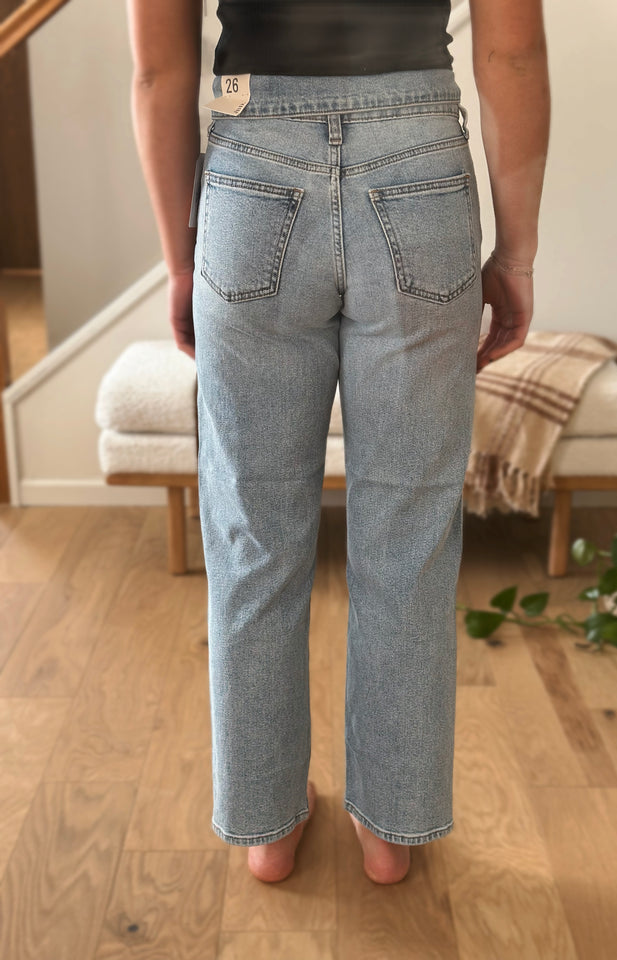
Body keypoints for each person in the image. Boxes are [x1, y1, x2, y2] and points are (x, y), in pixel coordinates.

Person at [126, 0, 550, 885]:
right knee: (411, 531)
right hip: (422, 164)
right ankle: (391, 830)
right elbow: (511, 54)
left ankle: (266, 829)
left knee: (253, 530)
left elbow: (160, 71)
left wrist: (179, 259)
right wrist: (515, 255)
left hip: (250, 167)